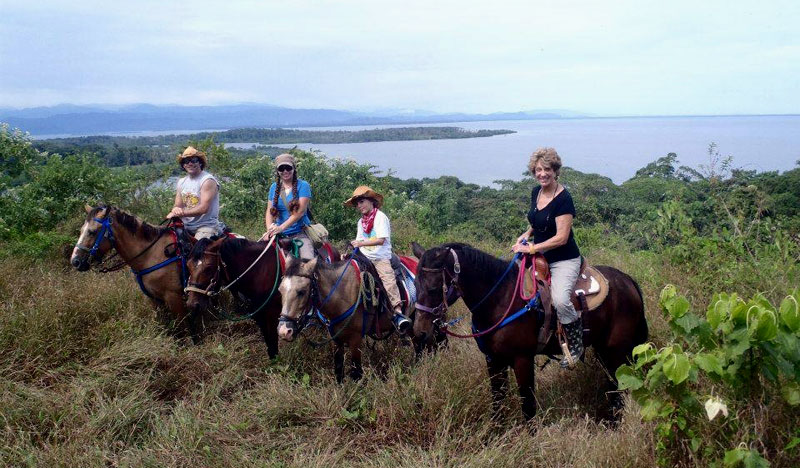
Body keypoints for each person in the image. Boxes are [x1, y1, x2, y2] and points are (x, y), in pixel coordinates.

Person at [511, 147, 583, 368]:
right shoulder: (537, 192)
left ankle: (576, 343)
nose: (542, 174)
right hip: (539, 255)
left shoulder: (564, 199)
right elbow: (537, 221)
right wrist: (526, 235)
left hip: (563, 259)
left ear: (556, 171)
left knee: (560, 300)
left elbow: (561, 238)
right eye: (538, 170)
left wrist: (532, 249)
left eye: (547, 169)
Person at [344, 186, 412, 333]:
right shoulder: (361, 222)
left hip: (380, 257)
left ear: (371, 201)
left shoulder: (380, 217)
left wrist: (360, 243)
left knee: (388, 279)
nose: (359, 206)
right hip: (363, 257)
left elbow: (381, 240)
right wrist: (351, 251)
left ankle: (398, 312)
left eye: (361, 201)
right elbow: (358, 241)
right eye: (357, 204)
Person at [260, 153, 315, 260]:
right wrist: (269, 230)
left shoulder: (303, 186)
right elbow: (269, 211)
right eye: (282, 168)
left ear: (294, 168)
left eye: (288, 167)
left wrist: (281, 228)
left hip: (300, 233)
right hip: (279, 234)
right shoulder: (273, 187)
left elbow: (299, 213)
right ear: (278, 171)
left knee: (307, 263)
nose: (285, 171)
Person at [166, 146, 223, 239]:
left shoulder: (207, 181)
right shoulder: (181, 182)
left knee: (197, 251)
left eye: (194, 160)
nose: (190, 163)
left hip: (206, 226)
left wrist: (182, 213)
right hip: (185, 225)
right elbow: (178, 205)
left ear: (200, 162)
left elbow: (204, 208)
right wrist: (175, 210)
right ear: (183, 165)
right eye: (186, 161)